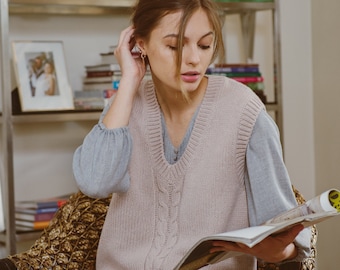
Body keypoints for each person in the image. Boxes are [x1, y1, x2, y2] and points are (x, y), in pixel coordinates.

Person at [72, 0, 311, 269]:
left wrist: (280, 253)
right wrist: (129, 80)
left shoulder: (244, 110)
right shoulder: (125, 106)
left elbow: (283, 227)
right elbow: (96, 183)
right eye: (174, 46)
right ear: (140, 43)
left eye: (205, 45)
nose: (194, 59)